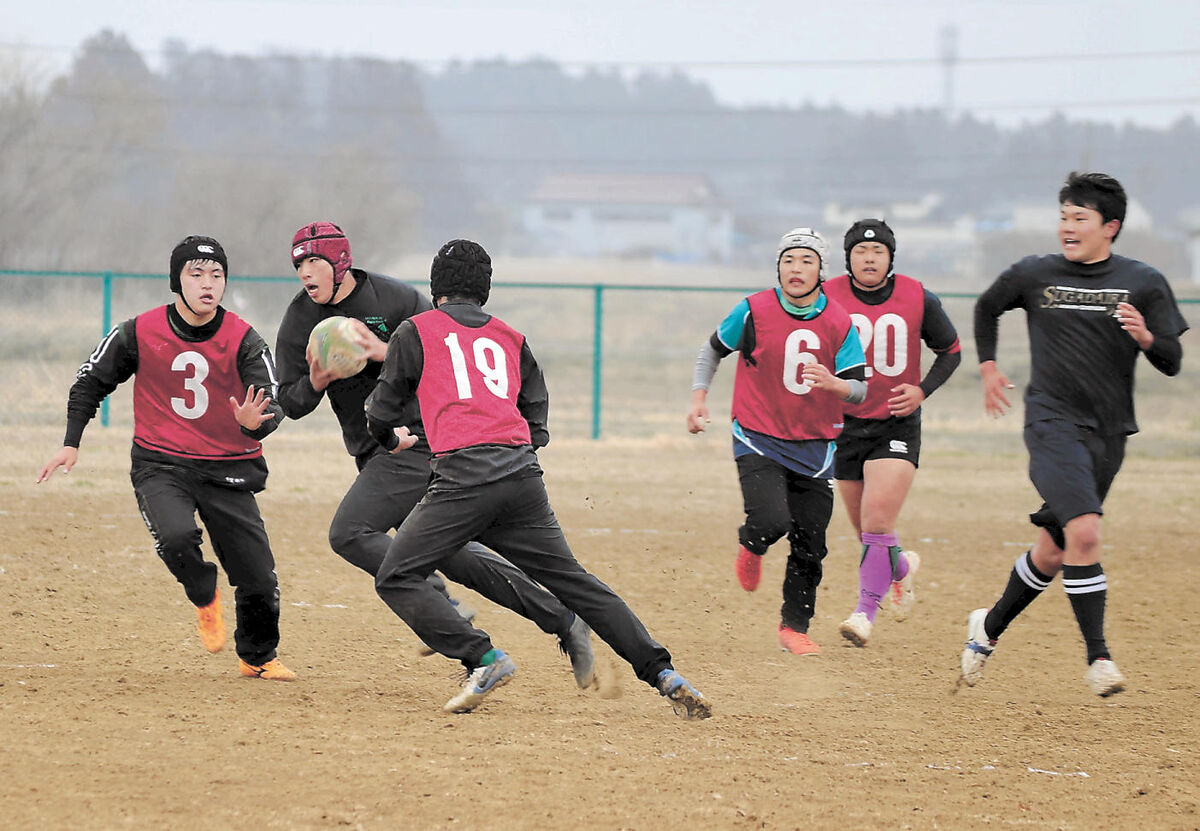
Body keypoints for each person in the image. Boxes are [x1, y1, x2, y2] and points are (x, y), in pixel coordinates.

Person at [365, 239, 710, 718]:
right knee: (575, 581)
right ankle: (663, 673)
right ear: (484, 289)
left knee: (396, 575)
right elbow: (536, 417)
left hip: (462, 478)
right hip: (520, 476)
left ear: (435, 288)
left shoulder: (415, 330)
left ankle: (484, 658)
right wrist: (512, 450)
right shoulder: (510, 336)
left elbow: (380, 413)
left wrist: (391, 438)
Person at [274, 222, 596, 689]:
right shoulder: (300, 321)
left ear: (340, 261)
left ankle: (472, 645)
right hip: (377, 450)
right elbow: (293, 402)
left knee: (351, 533)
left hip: (421, 441)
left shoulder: (393, 299)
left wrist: (385, 351)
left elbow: (447, 349)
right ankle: (563, 619)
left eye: (314, 261)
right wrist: (320, 379)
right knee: (459, 555)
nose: (305, 272)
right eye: (299, 264)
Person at [961, 172, 1188, 697]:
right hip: (1050, 422)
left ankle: (986, 629)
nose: (1067, 226)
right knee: (1084, 531)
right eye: (1063, 216)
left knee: (1055, 549)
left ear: (1109, 227)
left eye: (1079, 218)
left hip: (1110, 433)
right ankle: (1099, 658)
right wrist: (990, 368)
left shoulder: (1144, 282)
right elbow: (986, 306)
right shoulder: (1035, 273)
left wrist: (1147, 336)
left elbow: (1173, 361)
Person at [36, 235, 296, 680]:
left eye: (216, 275)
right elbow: (88, 382)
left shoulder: (243, 337)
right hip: (161, 463)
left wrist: (257, 423)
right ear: (177, 280)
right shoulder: (139, 331)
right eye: (196, 275)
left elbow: (271, 400)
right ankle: (203, 594)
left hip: (228, 467)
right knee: (176, 538)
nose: (207, 284)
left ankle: (258, 657)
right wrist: (70, 442)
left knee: (258, 577)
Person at [686, 228, 867, 656]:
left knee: (811, 541)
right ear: (779, 268)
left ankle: (794, 627)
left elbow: (860, 389)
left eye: (806, 261)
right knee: (771, 522)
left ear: (822, 270)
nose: (796, 269)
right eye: (789, 261)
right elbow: (712, 350)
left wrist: (834, 384)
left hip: (816, 447)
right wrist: (699, 398)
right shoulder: (753, 310)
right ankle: (752, 543)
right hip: (757, 436)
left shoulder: (839, 322)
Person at [823, 219, 962, 647]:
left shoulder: (918, 296)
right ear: (848, 259)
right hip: (843, 426)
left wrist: (922, 391)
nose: (869, 258)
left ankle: (864, 614)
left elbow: (951, 352)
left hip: (895, 425)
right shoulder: (826, 296)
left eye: (878, 251)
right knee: (867, 535)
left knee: (878, 521)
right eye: (861, 252)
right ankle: (901, 570)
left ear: (890, 257)